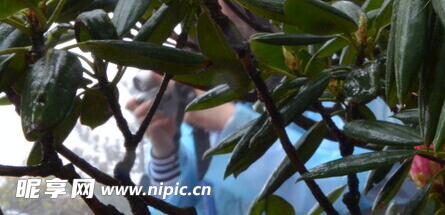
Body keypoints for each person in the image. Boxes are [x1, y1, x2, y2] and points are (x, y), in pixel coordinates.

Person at [127, 75, 383, 214]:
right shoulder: (193, 125)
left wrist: (235, 127)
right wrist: (165, 154)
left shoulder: (342, 83)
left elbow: (377, 182)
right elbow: (179, 204)